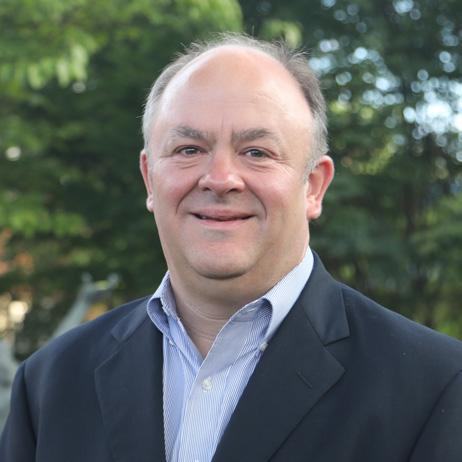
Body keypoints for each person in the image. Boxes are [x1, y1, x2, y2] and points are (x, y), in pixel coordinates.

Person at [1, 33, 462, 462]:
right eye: (188, 149)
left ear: (313, 187)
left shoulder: (436, 387)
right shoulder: (50, 384)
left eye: (256, 152)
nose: (220, 179)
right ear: (149, 178)